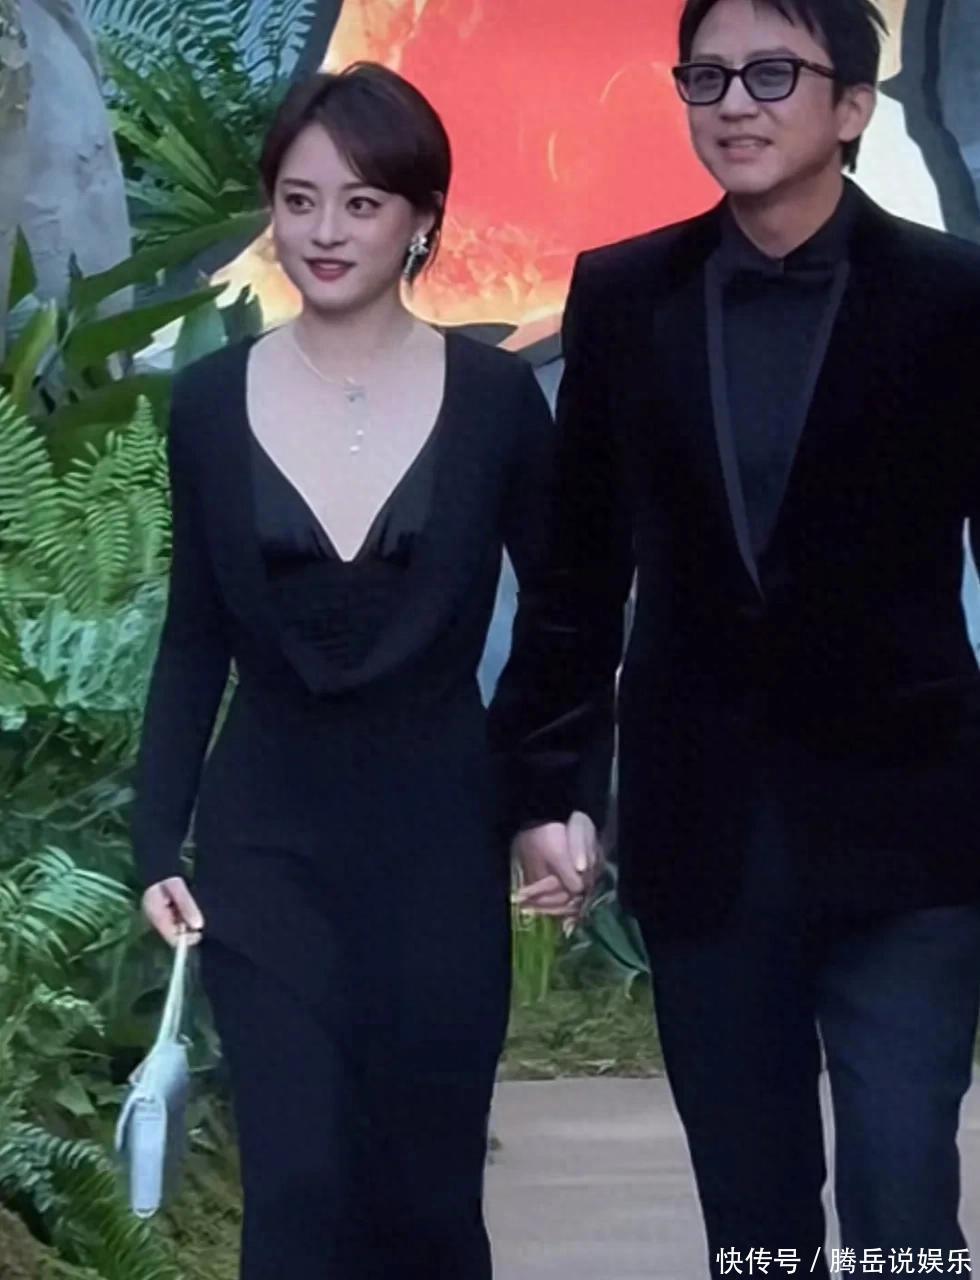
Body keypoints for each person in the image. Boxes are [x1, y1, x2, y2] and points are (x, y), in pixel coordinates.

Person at [513, 0, 980, 1272]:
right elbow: (575, 572)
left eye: (770, 74)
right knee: (754, 1224)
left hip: (910, 833)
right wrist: (551, 784)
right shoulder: (622, 295)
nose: (731, 102)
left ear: (851, 105)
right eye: (705, 76)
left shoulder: (953, 298)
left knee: (900, 1201)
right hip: (703, 826)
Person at [132, 62, 596, 1279]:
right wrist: (156, 839)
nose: (325, 231)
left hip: (438, 836)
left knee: (427, 1201)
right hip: (263, 845)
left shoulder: (496, 399)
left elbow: (562, 620)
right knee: (295, 1190)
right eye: (298, 201)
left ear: (419, 218)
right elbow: (193, 634)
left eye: (360, 202)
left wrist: (556, 796)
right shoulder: (208, 402)